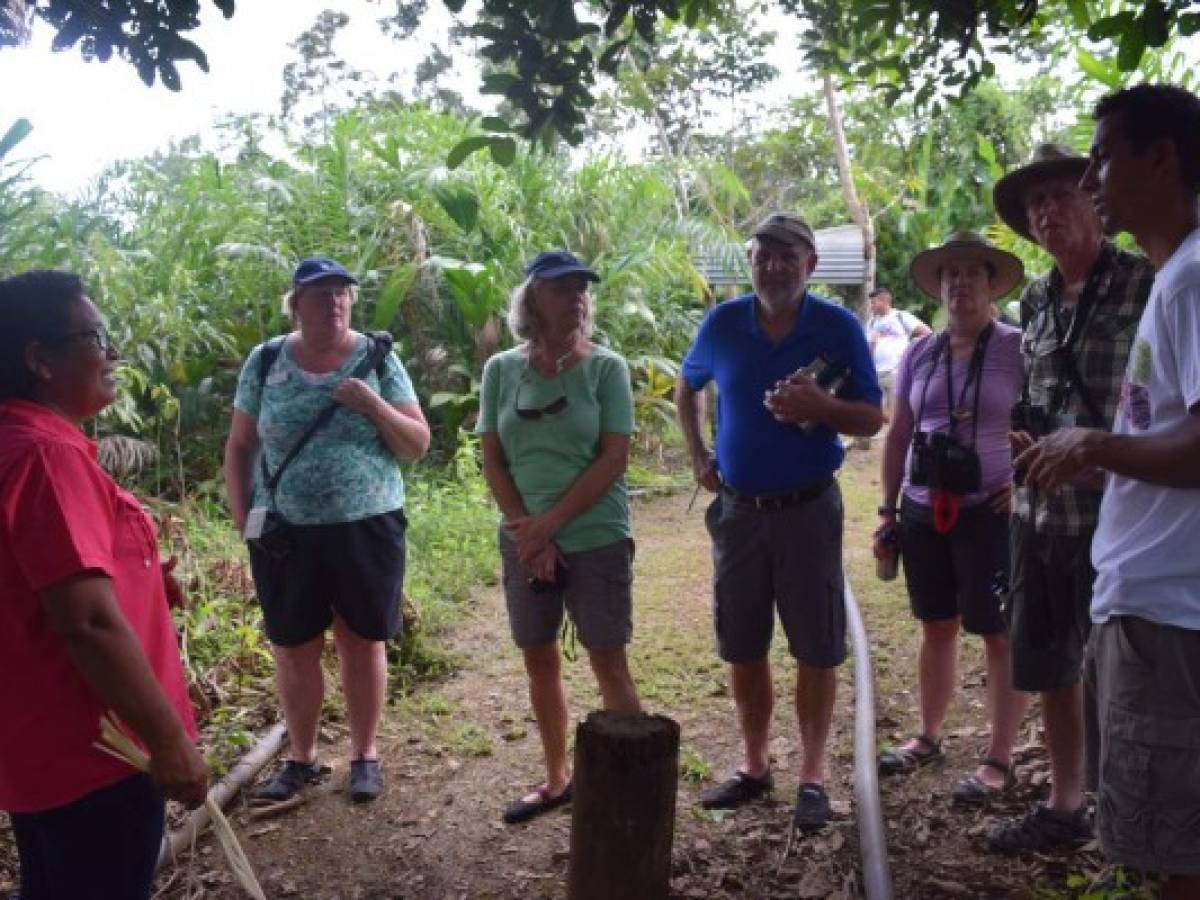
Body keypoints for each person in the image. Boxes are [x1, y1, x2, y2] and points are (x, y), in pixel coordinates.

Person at [1019, 84, 1200, 898]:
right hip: (1153, 594)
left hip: (1170, 611)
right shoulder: (1179, 277)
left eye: (1101, 159)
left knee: (1173, 856)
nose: (1091, 180)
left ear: (1161, 158)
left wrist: (1097, 442)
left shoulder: (1187, 280)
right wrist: (1099, 458)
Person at [0, 270, 208, 899]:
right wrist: (168, 739)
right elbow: (86, 622)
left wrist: (138, 580)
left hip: (40, 744)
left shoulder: (19, 441)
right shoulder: (45, 456)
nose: (112, 353)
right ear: (39, 358)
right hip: (98, 750)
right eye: (96, 336)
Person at [675, 212, 883, 830]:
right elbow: (689, 386)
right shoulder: (722, 324)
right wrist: (698, 455)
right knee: (743, 643)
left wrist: (823, 406)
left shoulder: (839, 327)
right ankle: (755, 764)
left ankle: (813, 776)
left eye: (788, 255)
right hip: (737, 513)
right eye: (764, 254)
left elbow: (872, 418)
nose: (774, 265)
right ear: (751, 262)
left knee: (817, 645)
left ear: (811, 265)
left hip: (808, 509)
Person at [985, 145, 1153, 855]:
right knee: (1049, 659)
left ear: (1096, 201)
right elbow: (1041, 396)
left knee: (1122, 672)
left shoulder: (1147, 283)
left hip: (1124, 514)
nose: (1049, 213)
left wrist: (1102, 456)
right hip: (1040, 513)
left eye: (1060, 195)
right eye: (1036, 207)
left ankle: (1129, 813)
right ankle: (1064, 803)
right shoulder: (1035, 300)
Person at [223, 256, 430, 803]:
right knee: (293, 645)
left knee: (361, 639)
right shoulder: (265, 359)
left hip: (368, 523)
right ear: (296, 304)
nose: (334, 302)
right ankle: (302, 758)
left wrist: (373, 404)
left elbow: (417, 443)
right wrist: (243, 514)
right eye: (320, 295)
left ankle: (364, 755)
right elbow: (241, 444)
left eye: (342, 293)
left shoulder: (377, 357)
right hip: (284, 530)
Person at [477, 250, 641, 824]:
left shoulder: (606, 368)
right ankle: (556, 778)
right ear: (533, 299)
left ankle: (630, 788)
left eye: (581, 289)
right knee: (539, 658)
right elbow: (492, 457)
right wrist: (529, 531)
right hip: (524, 538)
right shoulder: (502, 370)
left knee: (607, 659)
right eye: (562, 288)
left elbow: (614, 458)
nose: (576, 297)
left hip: (595, 534)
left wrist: (548, 526)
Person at [873, 233, 1029, 804]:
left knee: (996, 630)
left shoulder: (1018, 348)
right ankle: (928, 735)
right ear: (938, 288)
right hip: (922, 508)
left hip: (989, 508)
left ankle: (999, 754)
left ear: (992, 285)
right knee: (936, 623)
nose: (959, 283)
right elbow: (899, 435)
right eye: (949, 275)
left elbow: (1047, 419)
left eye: (972, 274)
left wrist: (1024, 481)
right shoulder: (919, 352)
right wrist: (887, 510)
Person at [866, 285, 931, 421]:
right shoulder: (871, 322)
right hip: (876, 374)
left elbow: (927, 334)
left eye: (873, 302)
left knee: (897, 413)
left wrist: (913, 354)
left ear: (884, 301)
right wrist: (872, 344)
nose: (871, 306)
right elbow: (867, 350)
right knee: (879, 415)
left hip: (896, 372)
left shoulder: (900, 316)